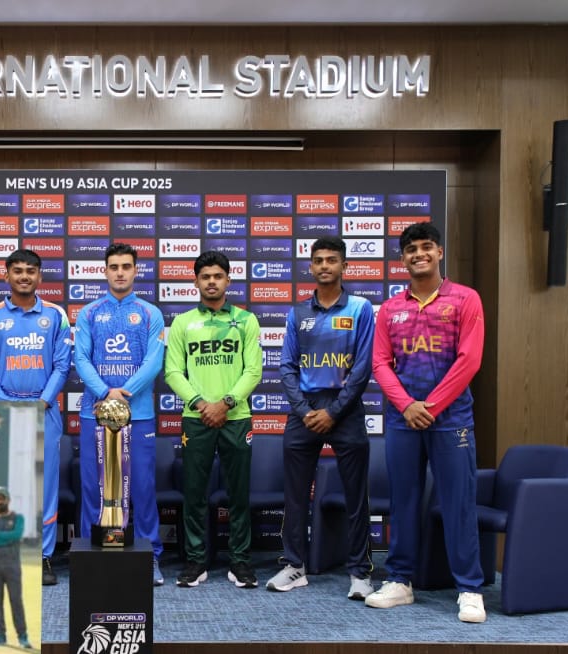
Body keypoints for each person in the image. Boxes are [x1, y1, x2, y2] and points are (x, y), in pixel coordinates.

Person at [365, 221, 488, 623]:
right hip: (403, 421)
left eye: (426, 247)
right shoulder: (391, 308)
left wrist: (430, 406)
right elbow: (380, 363)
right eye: (411, 249)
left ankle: (469, 588)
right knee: (403, 501)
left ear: (439, 252)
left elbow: (469, 360)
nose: (419, 254)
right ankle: (400, 581)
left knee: (458, 503)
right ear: (402, 259)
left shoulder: (466, 299)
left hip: (451, 420)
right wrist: (407, 405)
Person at [266, 237, 376, 599]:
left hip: (345, 409)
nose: (324, 265)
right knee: (295, 496)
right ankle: (294, 566)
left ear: (344, 266)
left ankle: (360, 572)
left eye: (331, 259)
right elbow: (287, 366)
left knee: (356, 496)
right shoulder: (298, 313)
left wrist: (334, 411)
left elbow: (362, 367)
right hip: (306, 410)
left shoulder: (360, 308)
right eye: (318, 260)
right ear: (311, 266)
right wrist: (304, 410)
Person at [0, 248, 72, 587]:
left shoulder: (56, 315)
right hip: (5, 414)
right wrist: (8, 406)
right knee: (7, 485)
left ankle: (42, 555)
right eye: (18, 271)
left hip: (45, 411)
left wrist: (42, 402)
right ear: (7, 276)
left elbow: (62, 365)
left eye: (31, 271)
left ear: (40, 276)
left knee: (45, 489)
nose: (24, 276)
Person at [164, 251, 262, 589]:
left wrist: (226, 403)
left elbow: (253, 371)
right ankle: (196, 561)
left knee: (239, 494)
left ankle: (240, 561)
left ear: (228, 280)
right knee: (194, 494)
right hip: (196, 418)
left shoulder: (246, 320)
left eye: (217, 276)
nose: (211, 282)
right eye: (205, 276)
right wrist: (201, 404)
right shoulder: (183, 322)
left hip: (236, 417)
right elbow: (173, 371)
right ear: (195, 281)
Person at [73, 243, 167, 585]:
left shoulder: (150, 313)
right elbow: (81, 358)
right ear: (105, 271)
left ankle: (150, 556)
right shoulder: (89, 313)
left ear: (136, 270)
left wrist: (123, 393)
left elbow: (154, 361)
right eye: (114, 266)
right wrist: (105, 392)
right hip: (94, 414)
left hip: (138, 415)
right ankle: (91, 555)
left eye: (126, 266)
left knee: (141, 487)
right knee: (93, 488)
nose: (120, 272)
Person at [0, 486, 31, 649]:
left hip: (12, 565)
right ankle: (0, 634)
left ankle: (22, 636)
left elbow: (17, 535)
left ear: (8, 500)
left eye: (3, 498)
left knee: (16, 600)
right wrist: (7, 539)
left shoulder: (17, 518)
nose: (0, 501)